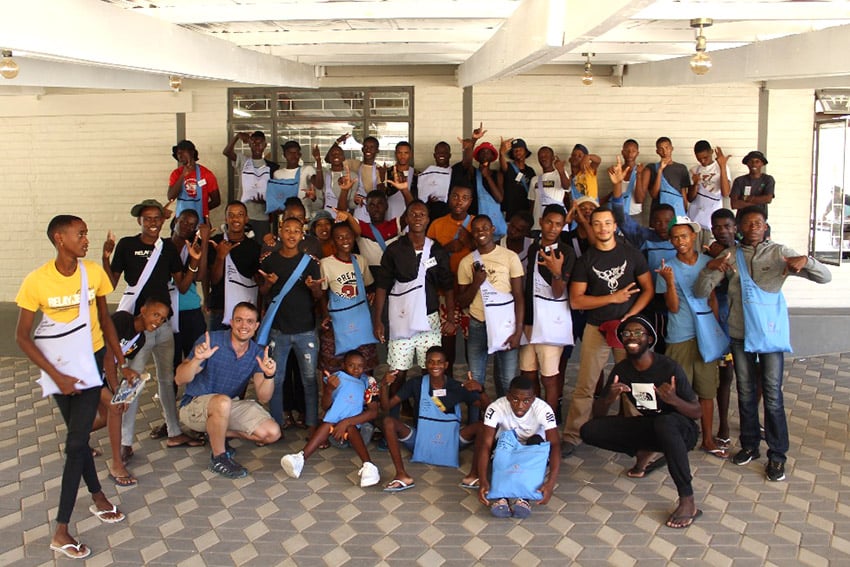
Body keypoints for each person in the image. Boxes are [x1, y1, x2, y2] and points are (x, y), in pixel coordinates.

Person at [16, 215, 130, 559]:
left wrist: (121, 362)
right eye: (80, 234)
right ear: (59, 238)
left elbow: (105, 320)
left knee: (76, 442)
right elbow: (22, 337)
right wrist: (57, 375)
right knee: (77, 440)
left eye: (85, 234)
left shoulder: (93, 273)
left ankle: (62, 527)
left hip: (90, 364)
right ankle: (96, 498)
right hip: (59, 370)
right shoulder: (36, 281)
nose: (86, 239)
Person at [695, 206, 831, 481]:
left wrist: (807, 261)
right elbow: (701, 291)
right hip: (739, 334)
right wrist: (710, 268)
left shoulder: (780, 252)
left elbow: (824, 277)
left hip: (770, 336)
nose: (754, 227)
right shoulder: (730, 255)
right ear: (740, 229)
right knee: (745, 393)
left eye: (759, 223)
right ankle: (749, 446)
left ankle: (777, 456)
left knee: (772, 395)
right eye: (748, 223)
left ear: (765, 226)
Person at [103, 199, 203, 462]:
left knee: (166, 379)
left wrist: (194, 262)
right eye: (147, 218)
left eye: (157, 218)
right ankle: (125, 441)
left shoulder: (167, 248)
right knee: (133, 381)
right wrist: (105, 257)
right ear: (140, 221)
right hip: (139, 328)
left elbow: (182, 286)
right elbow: (110, 283)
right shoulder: (127, 245)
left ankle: (174, 431)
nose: (152, 223)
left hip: (164, 326)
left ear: (163, 220)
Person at [580, 316, 703, 529]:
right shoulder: (622, 370)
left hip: (683, 431)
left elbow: (696, 412)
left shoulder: (668, 368)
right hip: (652, 425)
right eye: (626, 334)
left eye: (638, 333)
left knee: (665, 423)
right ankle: (644, 449)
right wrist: (608, 398)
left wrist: (674, 400)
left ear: (649, 339)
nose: (631, 337)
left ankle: (688, 501)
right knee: (589, 431)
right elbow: (598, 414)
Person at [561, 207, 654, 456]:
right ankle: (572, 436)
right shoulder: (586, 260)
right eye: (597, 224)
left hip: (629, 331)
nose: (603, 228)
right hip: (597, 328)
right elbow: (577, 301)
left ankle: (641, 436)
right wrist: (612, 298)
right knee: (586, 384)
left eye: (607, 223)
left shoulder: (631, 254)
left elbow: (648, 290)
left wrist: (631, 314)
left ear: (615, 226)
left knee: (635, 382)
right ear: (591, 227)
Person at [175, 304, 281, 478]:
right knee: (222, 401)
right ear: (231, 322)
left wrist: (270, 376)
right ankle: (219, 457)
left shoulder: (257, 353)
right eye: (239, 320)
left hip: (226, 407)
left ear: (256, 326)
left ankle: (214, 431)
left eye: (249, 321)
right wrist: (196, 360)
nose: (243, 326)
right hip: (193, 406)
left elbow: (263, 397)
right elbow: (179, 378)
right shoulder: (212, 341)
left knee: (271, 433)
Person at [655, 217, 728, 458]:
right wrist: (669, 282)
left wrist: (715, 331)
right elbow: (673, 308)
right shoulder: (667, 268)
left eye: (684, 236)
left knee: (707, 390)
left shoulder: (709, 263)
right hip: (679, 334)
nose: (679, 241)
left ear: (694, 237)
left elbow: (713, 299)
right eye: (674, 237)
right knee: (677, 391)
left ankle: (707, 439)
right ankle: (681, 438)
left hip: (705, 335)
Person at [373, 200, 455, 408]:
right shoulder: (395, 250)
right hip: (402, 319)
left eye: (422, 214)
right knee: (398, 371)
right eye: (413, 214)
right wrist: (378, 320)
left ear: (428, 219)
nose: (418, 217)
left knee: (431, 369)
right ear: (407, 218)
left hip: (429, 319)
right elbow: (382, 285)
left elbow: (448, 286)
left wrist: (452, 317)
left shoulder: (436, 250)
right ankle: (395, 413)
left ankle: (432, 410)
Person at [380, 346, 488, 492]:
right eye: (431, 362)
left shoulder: (457, 386)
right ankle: (401, 475)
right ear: (426, 364)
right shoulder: (415, 384)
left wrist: (480, 390)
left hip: (452, 440)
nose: (435, 365)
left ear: (446, 365)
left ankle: (473, 475)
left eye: (439, 362)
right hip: (420, 439)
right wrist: (384, 385)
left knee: (483, 427)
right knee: (388, 422)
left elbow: (489, 410)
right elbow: (386, 407)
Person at [258, 216, 325, 432]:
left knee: (309, 379)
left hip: (306, 330)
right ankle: (276, 423)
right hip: (279, 330)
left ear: (302, 234)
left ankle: (312, 424)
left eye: (297, 230)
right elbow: (262, 293)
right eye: (288, 230)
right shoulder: (269, 260)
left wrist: (314, 287)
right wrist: (268, 284)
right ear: (280, 232)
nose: (292, 234)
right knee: (276, 380)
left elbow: (317, 296)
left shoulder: (310, 262)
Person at [96, 296, 170, 486]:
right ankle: (116, 466)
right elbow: (107, 355)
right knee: (114, 410)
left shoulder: (141, 338)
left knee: (105, 418)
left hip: (104, 375)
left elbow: (123, 367)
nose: (158, 321)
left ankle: (76, 440)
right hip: (89, 370)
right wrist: (115, 392)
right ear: (143, 311)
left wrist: (126, 392)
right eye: (155, 315)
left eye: (162, 319)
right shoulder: (123, 320)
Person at [280, 351, 382, 487]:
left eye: (360, 366)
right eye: (351, 365)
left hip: (359, 432)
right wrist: (328, 390)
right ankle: (300, 458)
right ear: (343, 365)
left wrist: (346, 422)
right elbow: (325, 406)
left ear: (366, 366)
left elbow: (373, 413)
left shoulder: (368, 382)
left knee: (351, 427)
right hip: (336, 433)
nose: (356, 369)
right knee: (326, 424)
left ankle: (369, 467)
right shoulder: (336, 379)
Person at [457, 215, 524, 398]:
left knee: (507, 378)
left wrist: (518, 332)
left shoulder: (510, 257)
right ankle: (477, 420)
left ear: (493, 229)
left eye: (485, 228)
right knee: (476, 378)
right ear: (472, 233)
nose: (481, 232)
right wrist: (476, 282)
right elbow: (462, 301)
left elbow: (518, 296)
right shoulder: (466, 263)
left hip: (506, 325)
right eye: (477, 229)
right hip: (478, 324)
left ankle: (504, 420)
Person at [519, 204, 576, 419]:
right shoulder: (533, 248)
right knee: (528, 374)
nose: (553, 228)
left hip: (551, 325)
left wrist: (556, 272)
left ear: (563, 227)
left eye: (559, 224)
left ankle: (548, 421)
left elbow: (558, 292)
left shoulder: (567, 253)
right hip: (530, 324)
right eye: (549, 222)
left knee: (549, 377)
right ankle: (532, 417)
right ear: (541, 221)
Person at [476, 376, 560, 518]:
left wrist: (551, 483)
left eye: (526, 401)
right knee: (503, 441)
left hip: (532, 449)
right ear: (508, 396)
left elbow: (555, 445)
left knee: (537, 441)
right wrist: (483, 480)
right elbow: (486, 445)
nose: (520, 405)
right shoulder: (496, 408)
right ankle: (502, 497)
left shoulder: (543, 409)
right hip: (508, 447)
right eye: (515, 399)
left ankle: (523, 499)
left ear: (533, 399)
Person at [426, 184, 476, 375]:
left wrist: (468, 241)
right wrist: (447, 249)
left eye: (465, 198)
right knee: (446, 345)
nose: (459, 201)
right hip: (443, 294)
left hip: (470, 295)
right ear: (449, 198)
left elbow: (486, 253)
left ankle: (472, 386)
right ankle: (446, 385)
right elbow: (426, 259)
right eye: (455, 196)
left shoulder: (476, 223)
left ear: (470, 201)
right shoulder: (437, 224)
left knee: (472, 345)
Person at [319, 221, 377, 375]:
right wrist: (325, 315)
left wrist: (372, 293)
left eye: (348, 236)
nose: (345, 241)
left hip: (360, 319)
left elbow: (369, 286)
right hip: (338, 320)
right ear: (333, 241)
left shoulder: (361, 260)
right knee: (334, 368)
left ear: (354, 238)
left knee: (365, 367)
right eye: (339, 237)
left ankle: (367, 397)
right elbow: (323, 294)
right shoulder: (326, 264)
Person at [208, 201, 262, 331]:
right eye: (231, 215)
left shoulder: (255, 248)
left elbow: (258, 283)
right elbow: (214, 280)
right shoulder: (216, 242)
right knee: (218, 350)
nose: (235, 219)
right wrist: (221, 256)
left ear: (246, 219)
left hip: (245, 313)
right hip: (220, 309)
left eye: (240, 214)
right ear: (226, 219)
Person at [170, 209, 209, 373]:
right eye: (184, 221)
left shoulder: (193, 247)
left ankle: (195, 398)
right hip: (168, 312)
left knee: (196, 361)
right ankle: (170, 397)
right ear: (176, 220)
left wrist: (205, 241)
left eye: (192, 225)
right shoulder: (163, 246)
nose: (187, 226)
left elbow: (200, 276)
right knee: (171, 363)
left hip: (190, 311)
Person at [222, 130, 280, 240]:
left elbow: (275, 194)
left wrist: (265, 201)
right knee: (243, 245)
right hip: (242, 216)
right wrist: (237, 136)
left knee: (261, 248)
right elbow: (227, 152)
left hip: (262, 216)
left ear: (265, 145)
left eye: (260, 143)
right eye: (254, 143)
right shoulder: (244, 161)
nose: (257, 146)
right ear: (249, 144)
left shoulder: (271, 167)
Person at [268, 140, 323, 224]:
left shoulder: (307, 169)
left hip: (305, 217)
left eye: (296, 152)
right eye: (290, 153)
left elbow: (319, 185)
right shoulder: (277, 174)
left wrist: (318, 161)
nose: (293, 156)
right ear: (284, 155)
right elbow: (276, 198)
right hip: (286, 219)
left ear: (300, 155)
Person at [167, 139, 221, 223]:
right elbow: (171, 197)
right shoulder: (176, 174)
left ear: (192, 153)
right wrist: (182, 176)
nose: (180, 155)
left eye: (182, 152)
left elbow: (216, 201)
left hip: (200, 220)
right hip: (181, 220)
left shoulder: (206, 174)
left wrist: (201, 209)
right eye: (178, 153)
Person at [641, 137, 691, 218]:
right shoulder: (652, 168)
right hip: (659, 212)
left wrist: (684, 212)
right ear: (657, 151)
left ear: (672, 148)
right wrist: (660, 170)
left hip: (678, 211)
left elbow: (683, 194)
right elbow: (654, 195)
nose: (664, 151)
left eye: (667, 147)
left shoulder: (681, 168)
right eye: (661, 149)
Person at [687, 140, 731, 230]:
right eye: (699, 159)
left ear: (711, 152)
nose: (702, 161)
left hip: (713, 215)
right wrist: (695, 184)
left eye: (705, 157)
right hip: (695, 216)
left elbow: (726, 193)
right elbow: (690, 198)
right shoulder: (694, 170)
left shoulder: (722, 168)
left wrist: (722, 167)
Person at [527, 146, 570, 230]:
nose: (543, 158)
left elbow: (566, 186)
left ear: (553, 158)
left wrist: (561, 170)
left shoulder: (560, 174)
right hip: (537, 225)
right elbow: (532, 204)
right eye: (541, 156)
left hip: (556, 226)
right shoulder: (534, 180)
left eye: (546, 155)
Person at [730, 150, 775, 223]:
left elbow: (768, 199)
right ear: (747, 164)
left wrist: (745, 198)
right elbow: (734, 204)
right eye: (751, 161)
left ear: (762, 164)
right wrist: (759, 202)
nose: (754, 164)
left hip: (760, 222)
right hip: (741, 222)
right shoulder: (739, 180)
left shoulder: (768, 179)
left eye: (757, 161)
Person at [498, 137, 535, 220]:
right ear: (512, 154)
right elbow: (502, 164)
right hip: (509, 213)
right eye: (515, 150)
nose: (518, 152)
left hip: (525, 212)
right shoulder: (509, 167)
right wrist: (501, 152)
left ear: (525, 152)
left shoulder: (530, 171)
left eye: (520, 149)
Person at [417, 141, 454, 220]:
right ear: (434, 155)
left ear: (450, 155)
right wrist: (428, 201)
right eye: (439, 152)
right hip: (432, 214)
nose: (441, 154)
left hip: (450, 213)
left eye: (445, 152)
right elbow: (422, 197)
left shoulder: (455, 173)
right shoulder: (427, 173)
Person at [385, 141, 418, 219]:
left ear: (410, 154)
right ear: (396, 154)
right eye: (400, 153)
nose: (402, 156)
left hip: (409, 216)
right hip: (390, 215)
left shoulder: (417, 175)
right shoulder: (387, 172)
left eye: (406, 153)